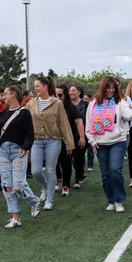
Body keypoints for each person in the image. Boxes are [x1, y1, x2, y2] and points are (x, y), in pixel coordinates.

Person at [86, 76, 132, 213]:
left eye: (113, 88)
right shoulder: (93, 103)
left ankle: (119, 200)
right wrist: (92, 141)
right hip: (100, 143)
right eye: (108, 87)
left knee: (115, 171)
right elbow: (88, 125)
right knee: (106, 174)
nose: (111, 90)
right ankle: (111, 199)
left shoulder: (120, 102)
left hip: (118, 141)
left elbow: (129, 115)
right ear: (103, 88)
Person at [0, 85, 41, 228]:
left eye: (5, 94)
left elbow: (30, 134)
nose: (3, 97)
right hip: (3, 151)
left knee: (18, 184)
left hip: (18, 150)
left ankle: (34, 201)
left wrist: (26, 147)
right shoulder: (1, 113)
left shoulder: (24, 113)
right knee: (7, 184)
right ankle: (15, 218)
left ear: (13, 95)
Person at [26, 77, 75, 211]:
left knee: (50, 169)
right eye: (35, 86)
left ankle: (49, 200)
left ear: (45, 86)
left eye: (37, 86)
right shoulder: (31, 103)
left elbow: (64, 124)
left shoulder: (57, 103)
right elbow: (24, 120)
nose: (35, 88)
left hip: (53, 140)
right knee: (36, 171)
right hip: (36, 140)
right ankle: (46, 187)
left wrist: (69, 143)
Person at [55, 85, 85, 196]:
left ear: (65, 95)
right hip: (53, 138)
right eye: (55, 95)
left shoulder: (71, 107)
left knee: (66, 162)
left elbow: (79, 122)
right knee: (53, 161)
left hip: (68, 138)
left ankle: (66, 185)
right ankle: (58, 177)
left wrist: (82, 137)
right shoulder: (51, 106)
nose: (57, 97)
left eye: (60, 95)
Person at [69, 85, 89, 186]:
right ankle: (80, 174)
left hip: (82, 134)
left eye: (73, 91)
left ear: (79, 92)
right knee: (71, 157)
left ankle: (77, 178)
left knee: (79, 156)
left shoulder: (86, 104)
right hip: (69, 134)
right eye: (70, 91)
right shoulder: (66, 104)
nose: (71, 93)